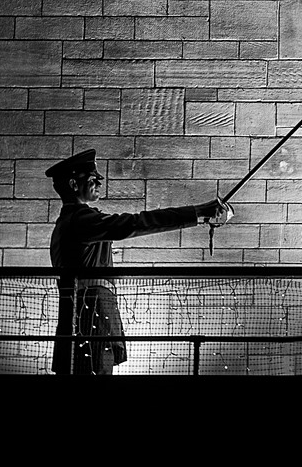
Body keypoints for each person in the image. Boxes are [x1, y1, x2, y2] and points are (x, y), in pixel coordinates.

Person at [45, 150, 232, 376]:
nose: (99, 184)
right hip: (91, 320)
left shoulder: (68, 222)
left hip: (83, 322)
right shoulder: (80, 220)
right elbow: (136, 223)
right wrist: (198, 212)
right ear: (74, 184)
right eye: (93, 179)